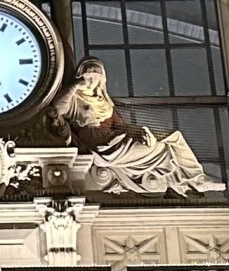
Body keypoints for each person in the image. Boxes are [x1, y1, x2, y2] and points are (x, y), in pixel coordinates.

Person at [51, 57, 217, 196]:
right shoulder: (75, 98)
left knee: (174, 137)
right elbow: (57, 109)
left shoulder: (105, 101)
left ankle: (197, 178)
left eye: (96, 76)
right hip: (101, 144)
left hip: (114, 138)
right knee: (164, 151)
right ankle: (189, 179)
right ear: (81, 76)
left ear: (102, 80)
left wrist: (141, 134)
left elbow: (120, 126)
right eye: (88, 75)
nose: (91, 80)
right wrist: (75, 86)